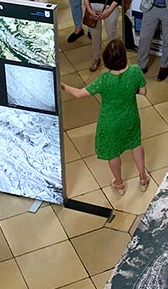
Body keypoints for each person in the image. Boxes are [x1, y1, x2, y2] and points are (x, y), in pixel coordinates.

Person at [61, 39, 149, 194]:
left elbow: (79, 94)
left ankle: (119, 184)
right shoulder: (135, 71)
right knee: (136, 144)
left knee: (112, 152)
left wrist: (61, 85)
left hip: (109, 122)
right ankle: (142, 178)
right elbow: (143, 92)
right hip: (130, 117)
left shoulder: (104, 80)